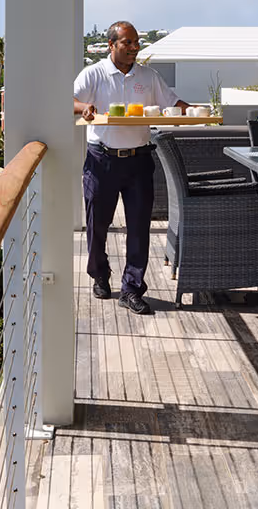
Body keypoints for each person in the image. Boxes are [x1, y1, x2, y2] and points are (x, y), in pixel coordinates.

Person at [73, 21, 190, 315]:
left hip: (139, 160)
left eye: (136, 42)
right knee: (97, 226)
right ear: (111, 45)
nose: (135, 47)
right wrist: (83, 108)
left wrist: (200, 111)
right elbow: (70, 99)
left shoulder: (148, 77)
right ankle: (99, 273)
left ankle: (131, 288)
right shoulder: (95, 73)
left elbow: (172, 103)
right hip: (102, 160)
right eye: (128, 42)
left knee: (139, 228)